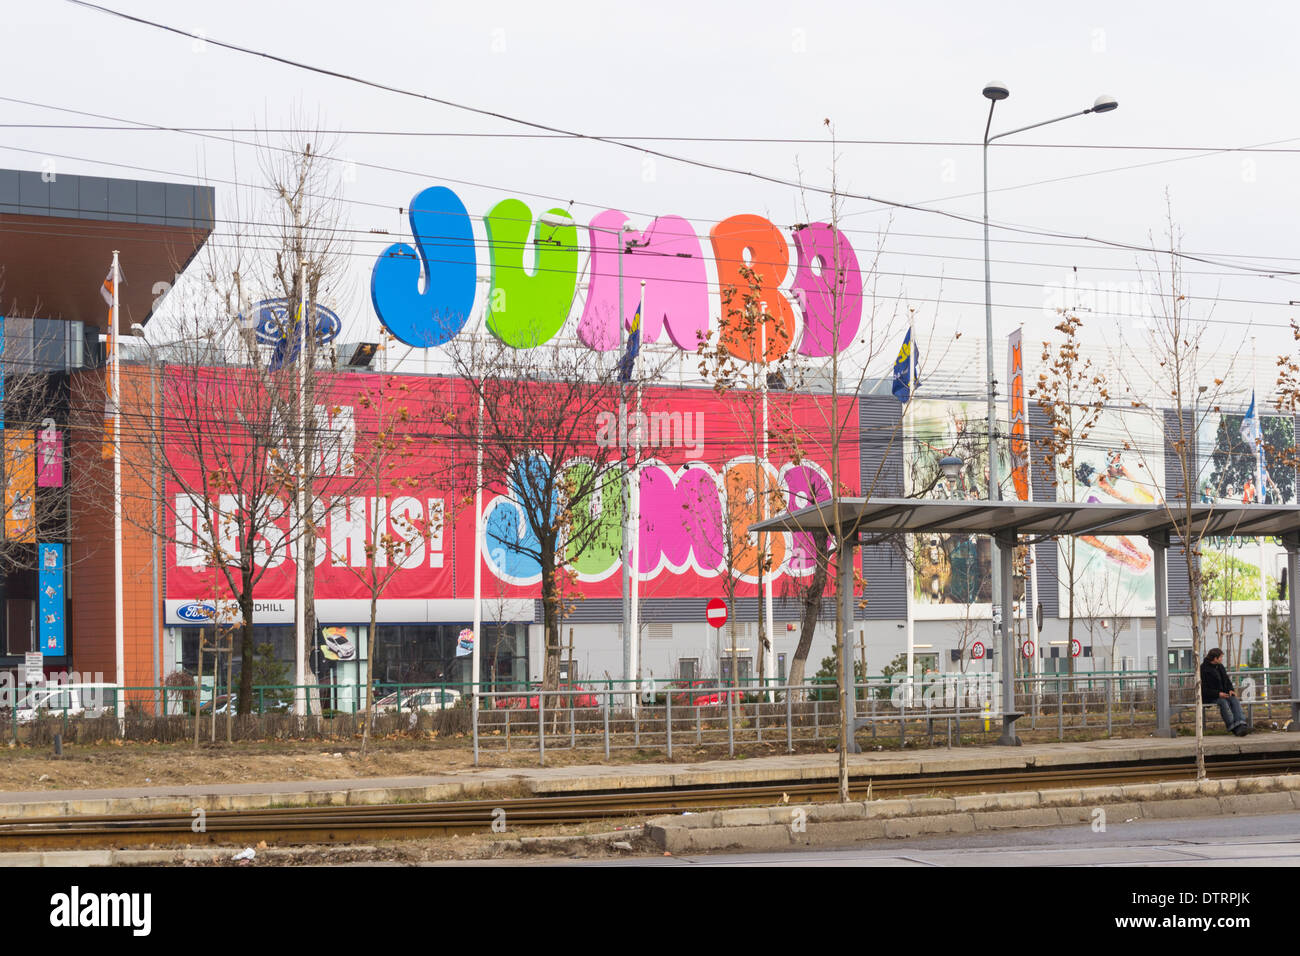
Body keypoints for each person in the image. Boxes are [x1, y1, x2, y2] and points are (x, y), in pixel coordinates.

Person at [1201, 648, 1249, 736]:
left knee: (1234, 700)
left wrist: (1230, 690)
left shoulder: (1220, 667)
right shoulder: (1203, 669)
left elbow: (1227, 680)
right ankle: (1233, 727)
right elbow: (1203, 689)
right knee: (1223, 702)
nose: (1222, 659)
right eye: (1221, 657)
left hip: (1223, 694)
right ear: (1215, 658)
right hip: (1210, 697)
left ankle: (1241, 723)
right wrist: (1218, 694)